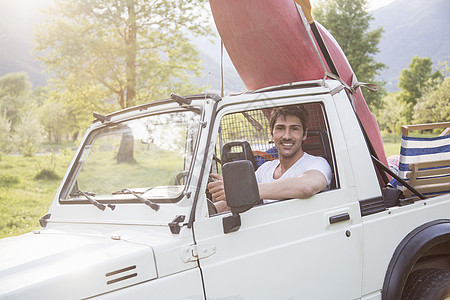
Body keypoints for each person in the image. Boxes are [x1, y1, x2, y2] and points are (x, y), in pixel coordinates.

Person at [208, 105, 332, 212]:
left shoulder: (317, 164)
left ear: (304, 134)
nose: (287, 136)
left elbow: (306, 187)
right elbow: (230, 203)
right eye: (280, 128)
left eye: (294, 129)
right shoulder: (265, 169)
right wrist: (209, 211)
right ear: (271, 134)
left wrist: (241, 189)